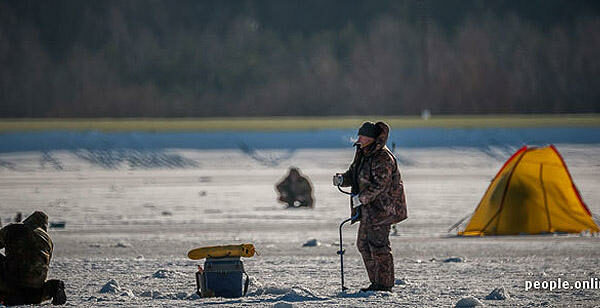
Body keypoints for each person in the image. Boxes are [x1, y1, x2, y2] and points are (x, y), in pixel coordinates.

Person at [333, 121, 407, 292]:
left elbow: (381, 184)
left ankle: (384, 285)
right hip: (368, 209)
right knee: (364, 244)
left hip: (383, 209)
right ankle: (376, 282)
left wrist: (362, 198)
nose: (358, 138)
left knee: (378, 246)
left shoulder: (382, 157)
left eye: (362, 136)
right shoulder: (363, 153)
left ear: (371, 138)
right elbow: (354, 174)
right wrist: (343, 179)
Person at [0, 211, 66, 305]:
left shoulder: (14, 228)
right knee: (31, 294)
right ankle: (53, 287)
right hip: (35, 284)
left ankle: (9, 294)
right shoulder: (48, 240)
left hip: (13, 278)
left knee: (13, 288)